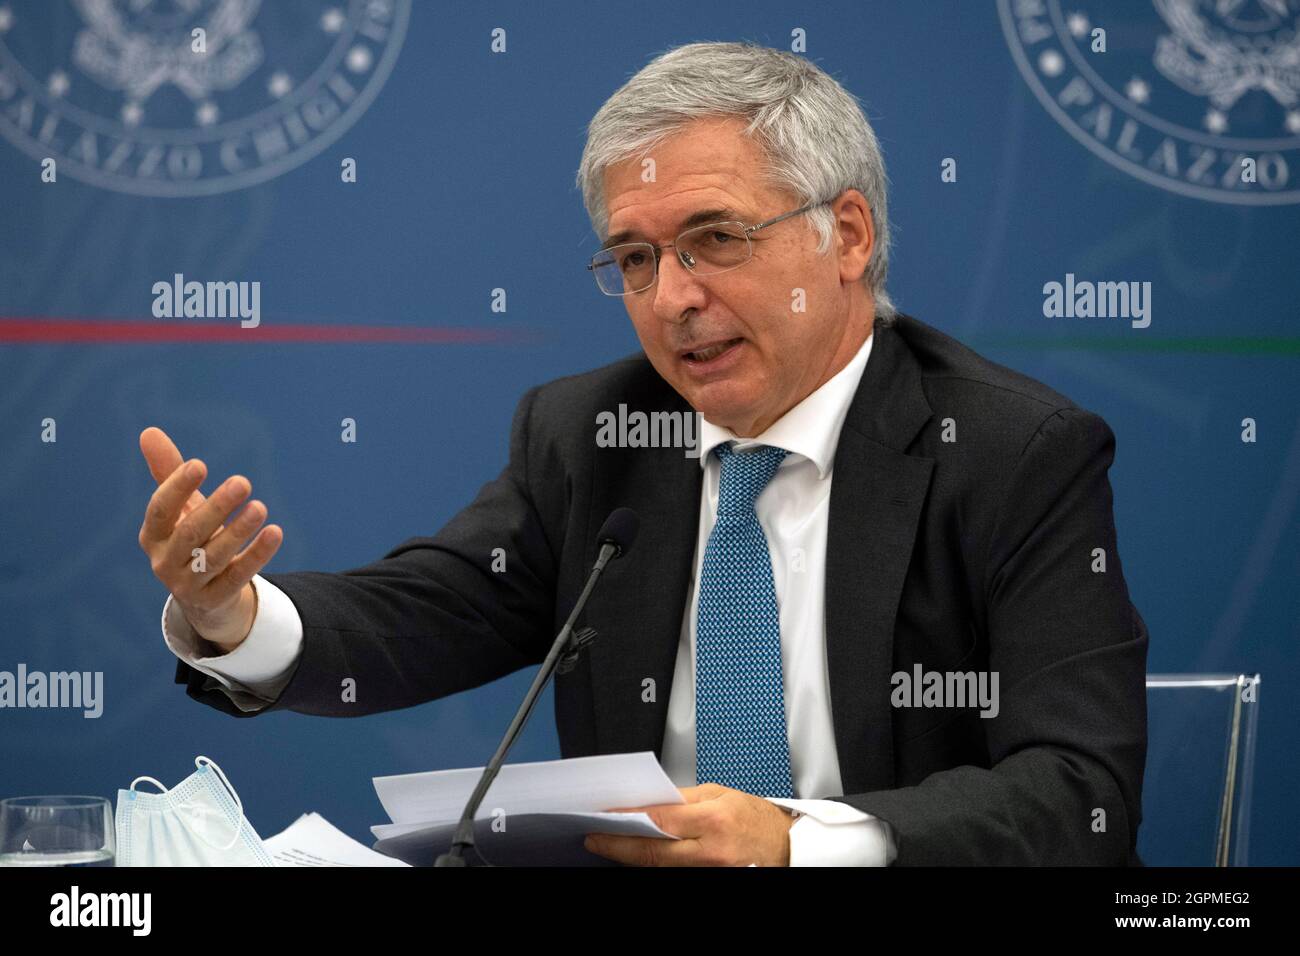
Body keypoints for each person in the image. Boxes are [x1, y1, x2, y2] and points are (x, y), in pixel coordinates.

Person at [137, 42, 1148, 866]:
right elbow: (428, 609)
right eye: (635, 258)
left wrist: (799, 841)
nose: (671, 298)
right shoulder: (594, 436)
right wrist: (234, 615)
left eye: (714, 238)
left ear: (844, 235)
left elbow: (1076, 792)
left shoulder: (1013, 453)